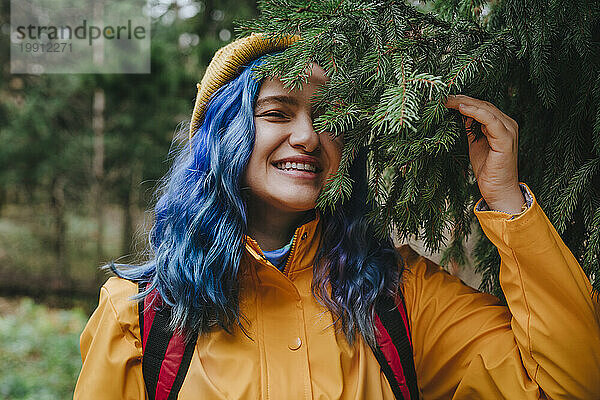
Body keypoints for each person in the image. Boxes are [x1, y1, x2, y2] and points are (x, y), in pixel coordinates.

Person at [74, 33, 600, 399]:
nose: (307, 137)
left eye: (327, 118)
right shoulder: (140, 317)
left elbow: (569, 385)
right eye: (278, 112)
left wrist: (507, 199)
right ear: (221, 138)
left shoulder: (398, 294)